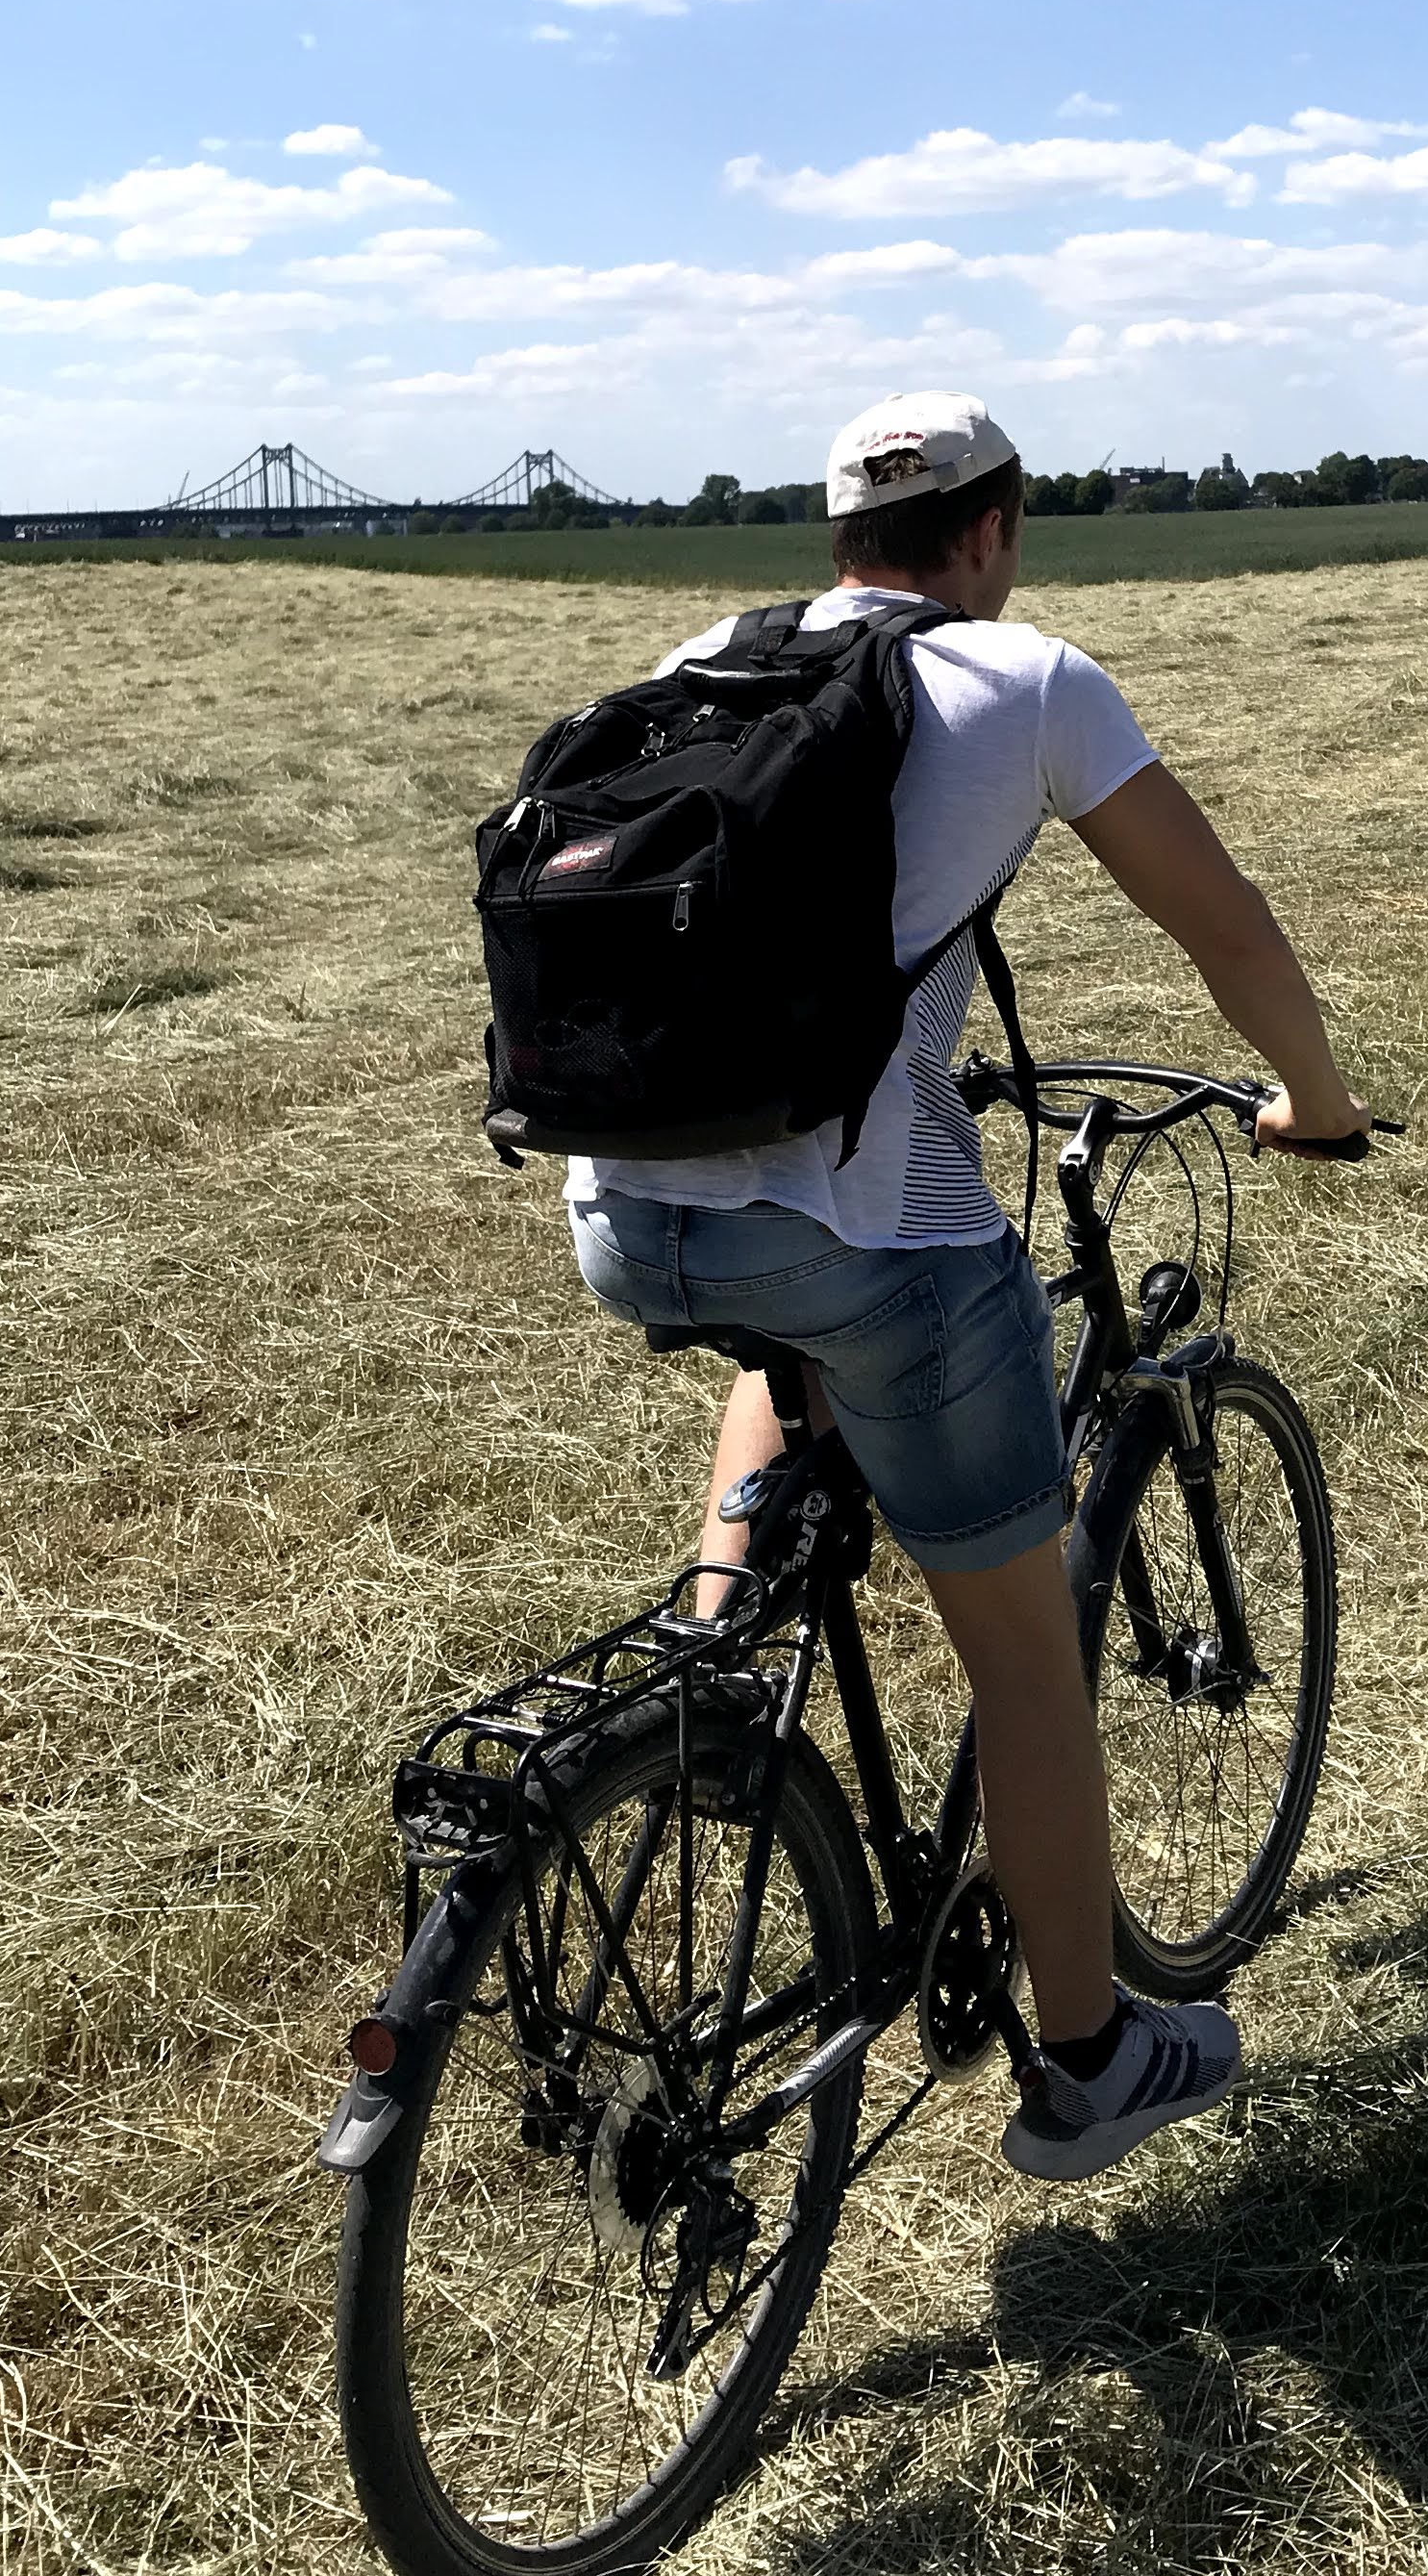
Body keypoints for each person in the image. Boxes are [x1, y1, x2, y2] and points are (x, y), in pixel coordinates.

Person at [564, 390, 1367, 2181]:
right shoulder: (1025, 683)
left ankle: (716, 1685)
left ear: (840, 540)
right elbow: (1223, 921)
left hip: (622, 1203)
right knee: (1020, 1656)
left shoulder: (711, 660)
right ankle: (1086, 2060)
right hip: (871, 1231)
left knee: (787, 1332)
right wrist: (1314, 1101)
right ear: (993, 531)